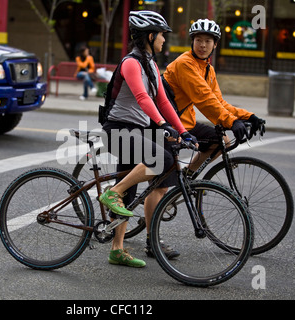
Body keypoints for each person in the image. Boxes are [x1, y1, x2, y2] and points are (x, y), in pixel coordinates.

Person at [98, 11, 197, 268]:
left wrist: (182, 131)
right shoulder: (131, 63)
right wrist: (164, 126)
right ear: (150, 35)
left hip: (137, 131)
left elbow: (163, 101)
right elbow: (143, 98)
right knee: (161, 160)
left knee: (130, 191)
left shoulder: (151, 64)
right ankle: (112, 193)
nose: (164, 39)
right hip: (118, 130)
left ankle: (117, 249)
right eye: (162, 34)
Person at [163, 19, 264, 175]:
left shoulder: (208, 69)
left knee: (219, 141)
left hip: (183, 122)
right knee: (159, 185)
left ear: (215, 44)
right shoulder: (185, 64)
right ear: (192, 41)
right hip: (167, 123)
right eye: (199, 40)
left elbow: (218, 102)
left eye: (208, 41)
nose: (203, 45)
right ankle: (177, 185)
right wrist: (232, 121)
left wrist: (248, 116)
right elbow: (204, 100)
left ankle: (186, 178)